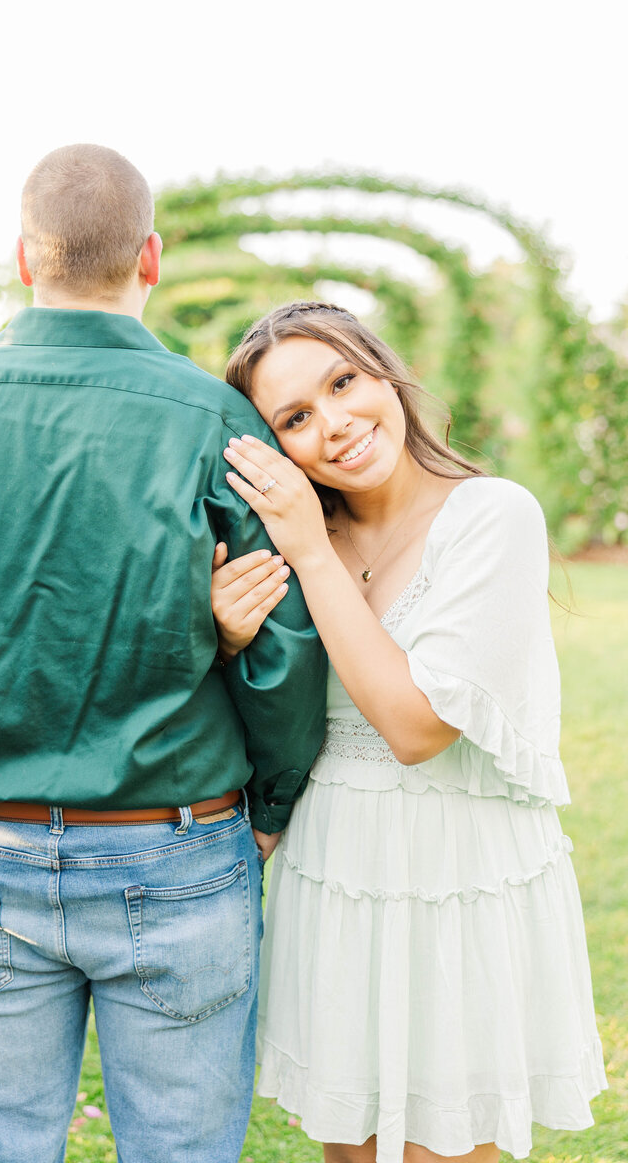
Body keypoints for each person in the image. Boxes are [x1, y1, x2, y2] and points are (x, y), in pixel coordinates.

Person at [0, 147, 327, 1163]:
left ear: (24, 255)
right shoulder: (213, 421)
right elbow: (283, 642)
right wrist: (271, 807)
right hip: (178, 848)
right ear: (148, 256)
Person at [209, 300, 607, 1163]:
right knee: (349, 1150)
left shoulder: (491, 516)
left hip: (454, 879)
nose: (338, 425)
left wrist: (310, 552)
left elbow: (417, 726)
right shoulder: (299, 540)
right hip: (337, 877)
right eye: (296, 419)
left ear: (383, 371)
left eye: (344, 382)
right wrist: (233, 639)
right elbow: (265, 721)